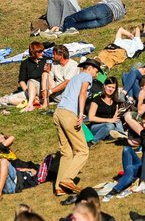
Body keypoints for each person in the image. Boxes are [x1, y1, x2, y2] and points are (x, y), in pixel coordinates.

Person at [53, 58, 101, 196]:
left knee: (66, 152)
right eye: (96, 71)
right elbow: (83, 93)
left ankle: (59, 186)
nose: (96, 75)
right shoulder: (86, 76)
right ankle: (67, 179)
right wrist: (81, 114)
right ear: (90, 68)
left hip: (58, 113)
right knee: (83, 150)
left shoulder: (75, 78)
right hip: (69, 114)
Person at [61, 0, 126, 35]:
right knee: (81, 25)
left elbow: (101, 3)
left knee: (71, 17)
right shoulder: (122, 13)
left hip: (104, 9)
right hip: (107, 20)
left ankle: (63, 29)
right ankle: (68, 29)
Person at [88, 77, 123, 144]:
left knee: (118, 121)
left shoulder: (115, 101)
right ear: (104, 86)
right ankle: (93, 142)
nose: (111, 89)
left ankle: (120, 135)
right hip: (97, 126)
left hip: (111, 125)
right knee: (110, 126)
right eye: (109, 87)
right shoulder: (96, 100)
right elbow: (91, 118)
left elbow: (115, 118)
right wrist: (109, 120)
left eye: (113, 88)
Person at [17, 42, 47, 113]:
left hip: (43, 88)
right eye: (39, 52)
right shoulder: (25, 63)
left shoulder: (45, 61)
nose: (41, 53)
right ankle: (35, 100)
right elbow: (22, 80)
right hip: (30, 89)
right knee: (11, 99)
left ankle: (30, 105)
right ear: (33, 52)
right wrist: (28, 92)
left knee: (31, 81)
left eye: (42, 51)